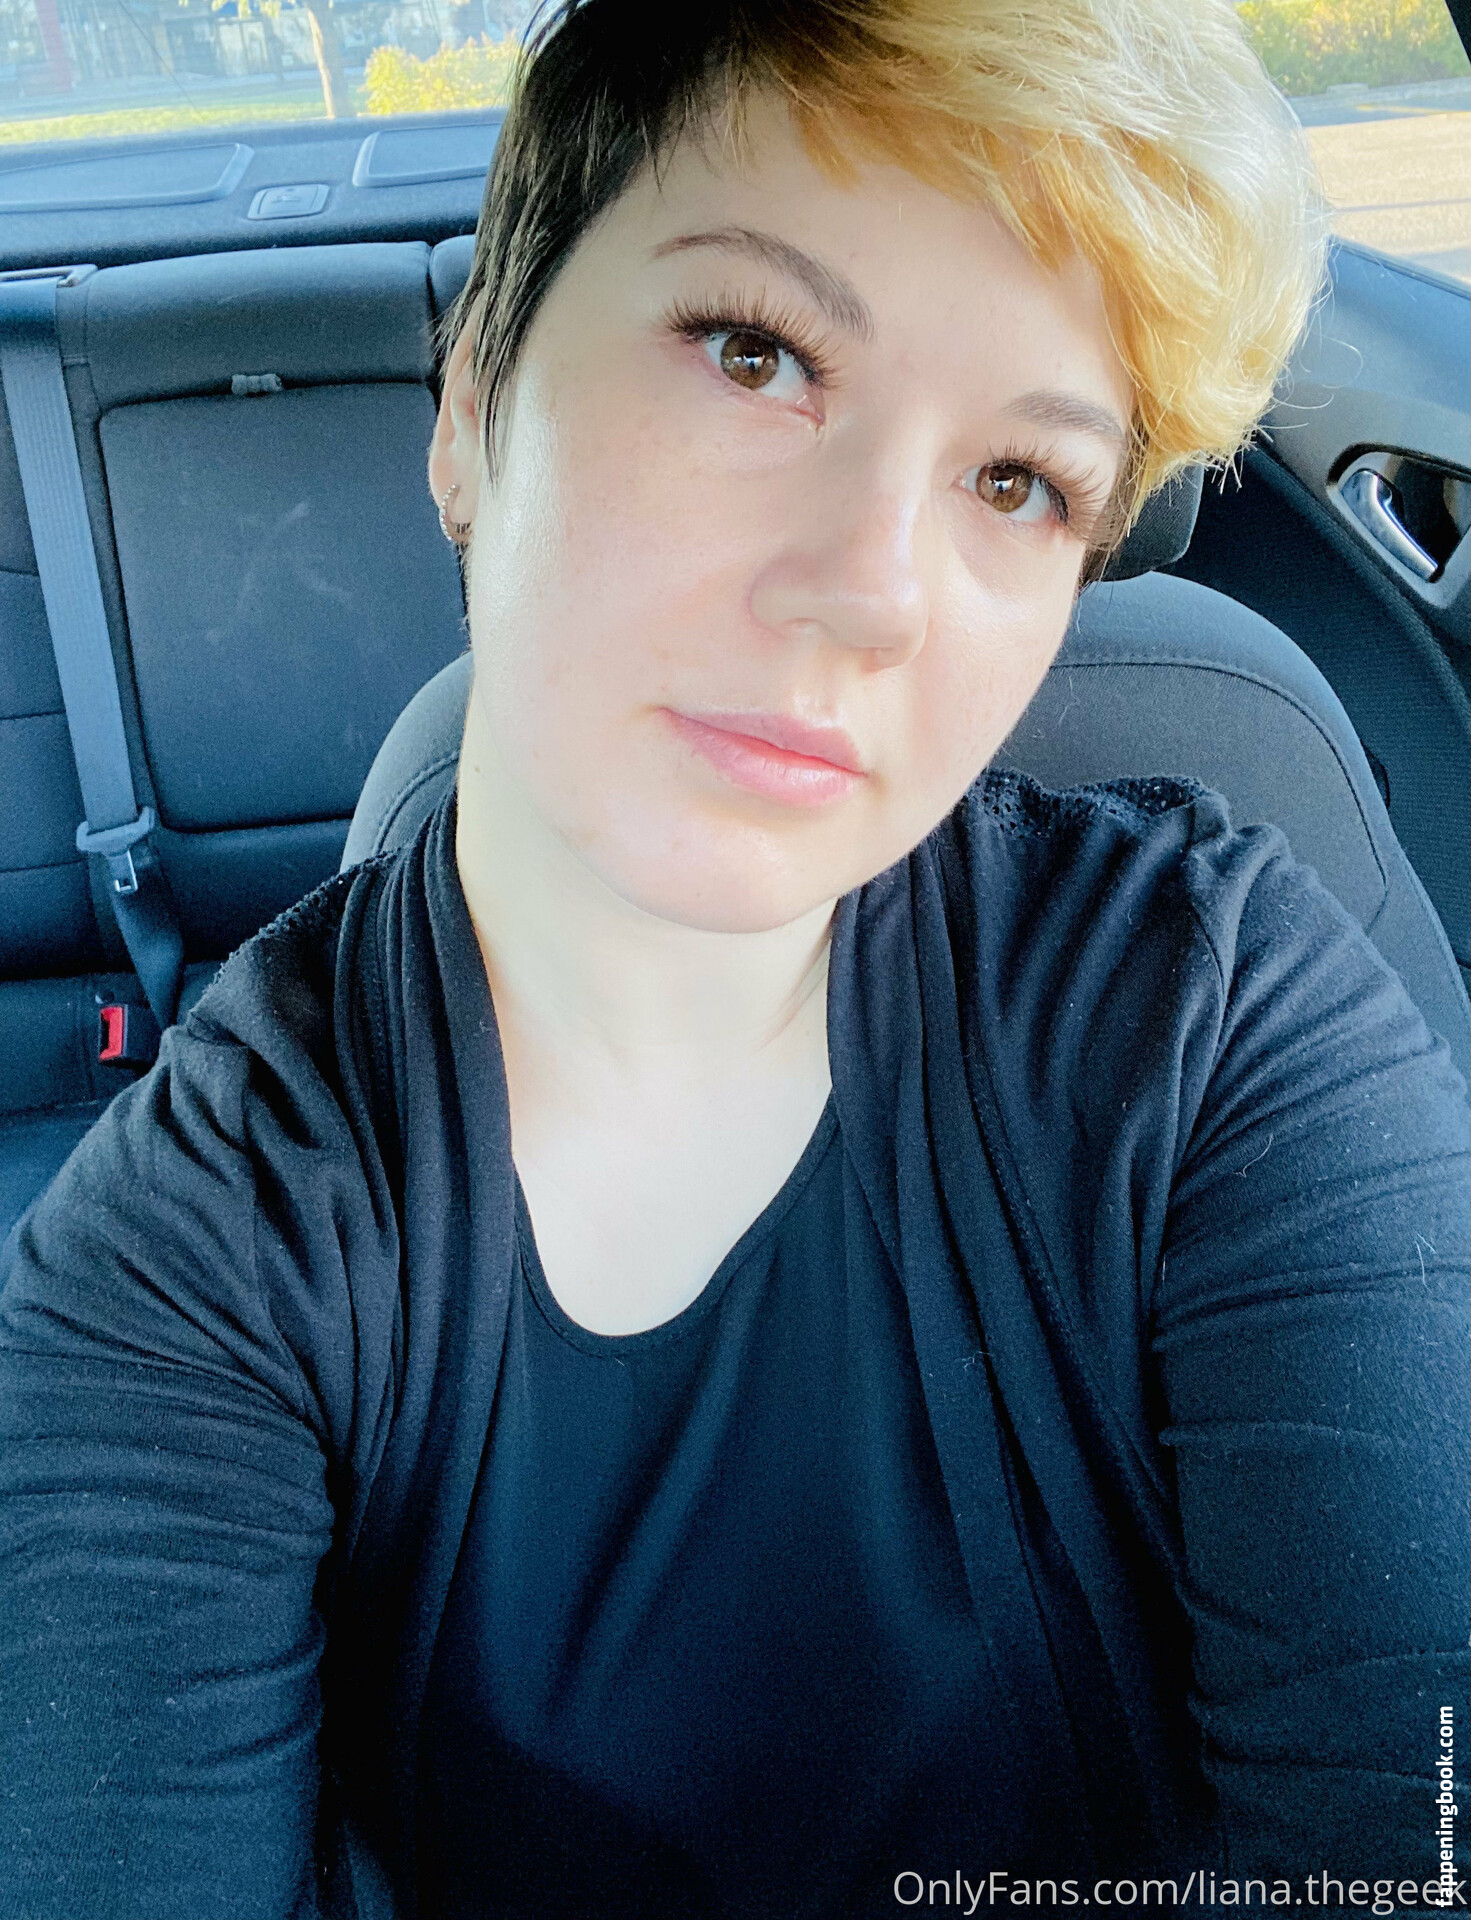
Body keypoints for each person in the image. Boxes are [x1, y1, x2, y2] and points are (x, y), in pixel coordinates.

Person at [1, 2, 1467, 1916]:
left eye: (1017, 482)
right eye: (755, 353)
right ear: (473, 404)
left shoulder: (1217, 1010)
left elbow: (1413, 1847)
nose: (872, 590)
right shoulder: (192, 1254)